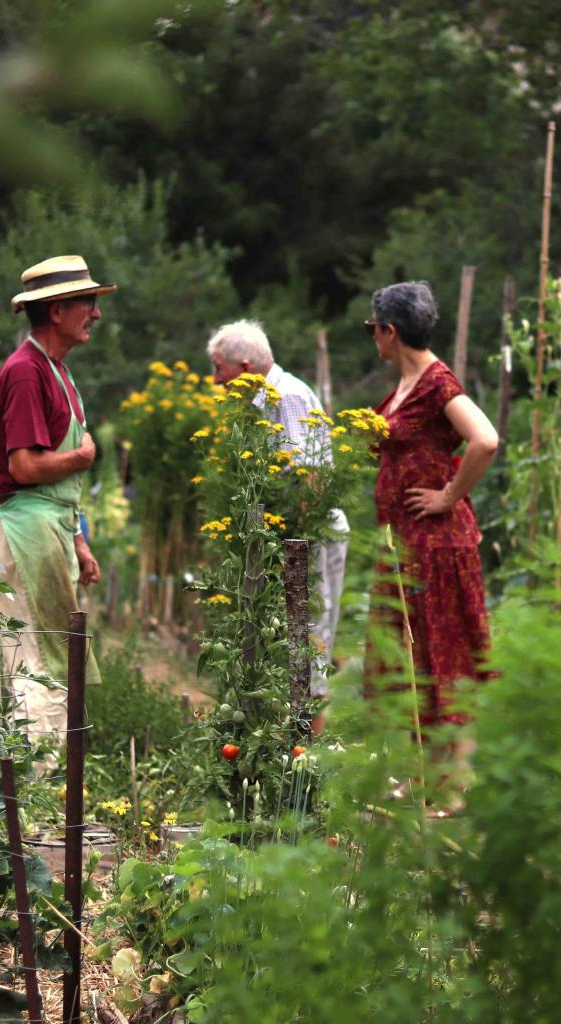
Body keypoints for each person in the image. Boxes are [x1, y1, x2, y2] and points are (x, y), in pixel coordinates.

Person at [364, 281, 498, 807]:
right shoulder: (407, 383)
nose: (371, 336)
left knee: (447, 659)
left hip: (438, 546)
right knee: (410, 660)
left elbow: (485, 439)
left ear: (390, 331)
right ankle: (423, 774)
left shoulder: (438, 384)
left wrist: (448, 496)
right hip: (405, 546)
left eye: (372, 327)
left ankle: (455, 785)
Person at [0, 254, 116, 743]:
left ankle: (49, 798)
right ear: (57, 310)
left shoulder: (55, 369)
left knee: (57, 659)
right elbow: (24, 467)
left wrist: (79, 543)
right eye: (87, 302)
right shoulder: (26, 372)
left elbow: (54, 485)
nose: (96, 313)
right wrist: (82, 458)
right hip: (25, 531)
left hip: (49, 528)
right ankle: (34, 804)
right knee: (37, 664)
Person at [207, 319, 349, 708]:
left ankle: (307, 750)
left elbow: (311, 477)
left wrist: (295, 547)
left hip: (311, 533)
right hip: (292, 533)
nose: (216, 379)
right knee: (289, 638)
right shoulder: (262, 401)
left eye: (219, 367)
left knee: (309, 634)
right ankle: (292, 740)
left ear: (246, 367)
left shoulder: (285, 397)